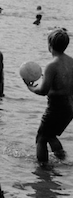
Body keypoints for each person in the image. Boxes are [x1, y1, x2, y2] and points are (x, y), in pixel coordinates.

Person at [25, 28, 73, 164]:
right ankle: (62, 160)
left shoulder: (52, 65)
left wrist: (30, 86)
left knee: (41, 138)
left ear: (49, 45)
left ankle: (43, 169)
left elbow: (43, 90)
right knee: (50, 135)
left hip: (56, 107)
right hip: (70, 107)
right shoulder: (71, 62)